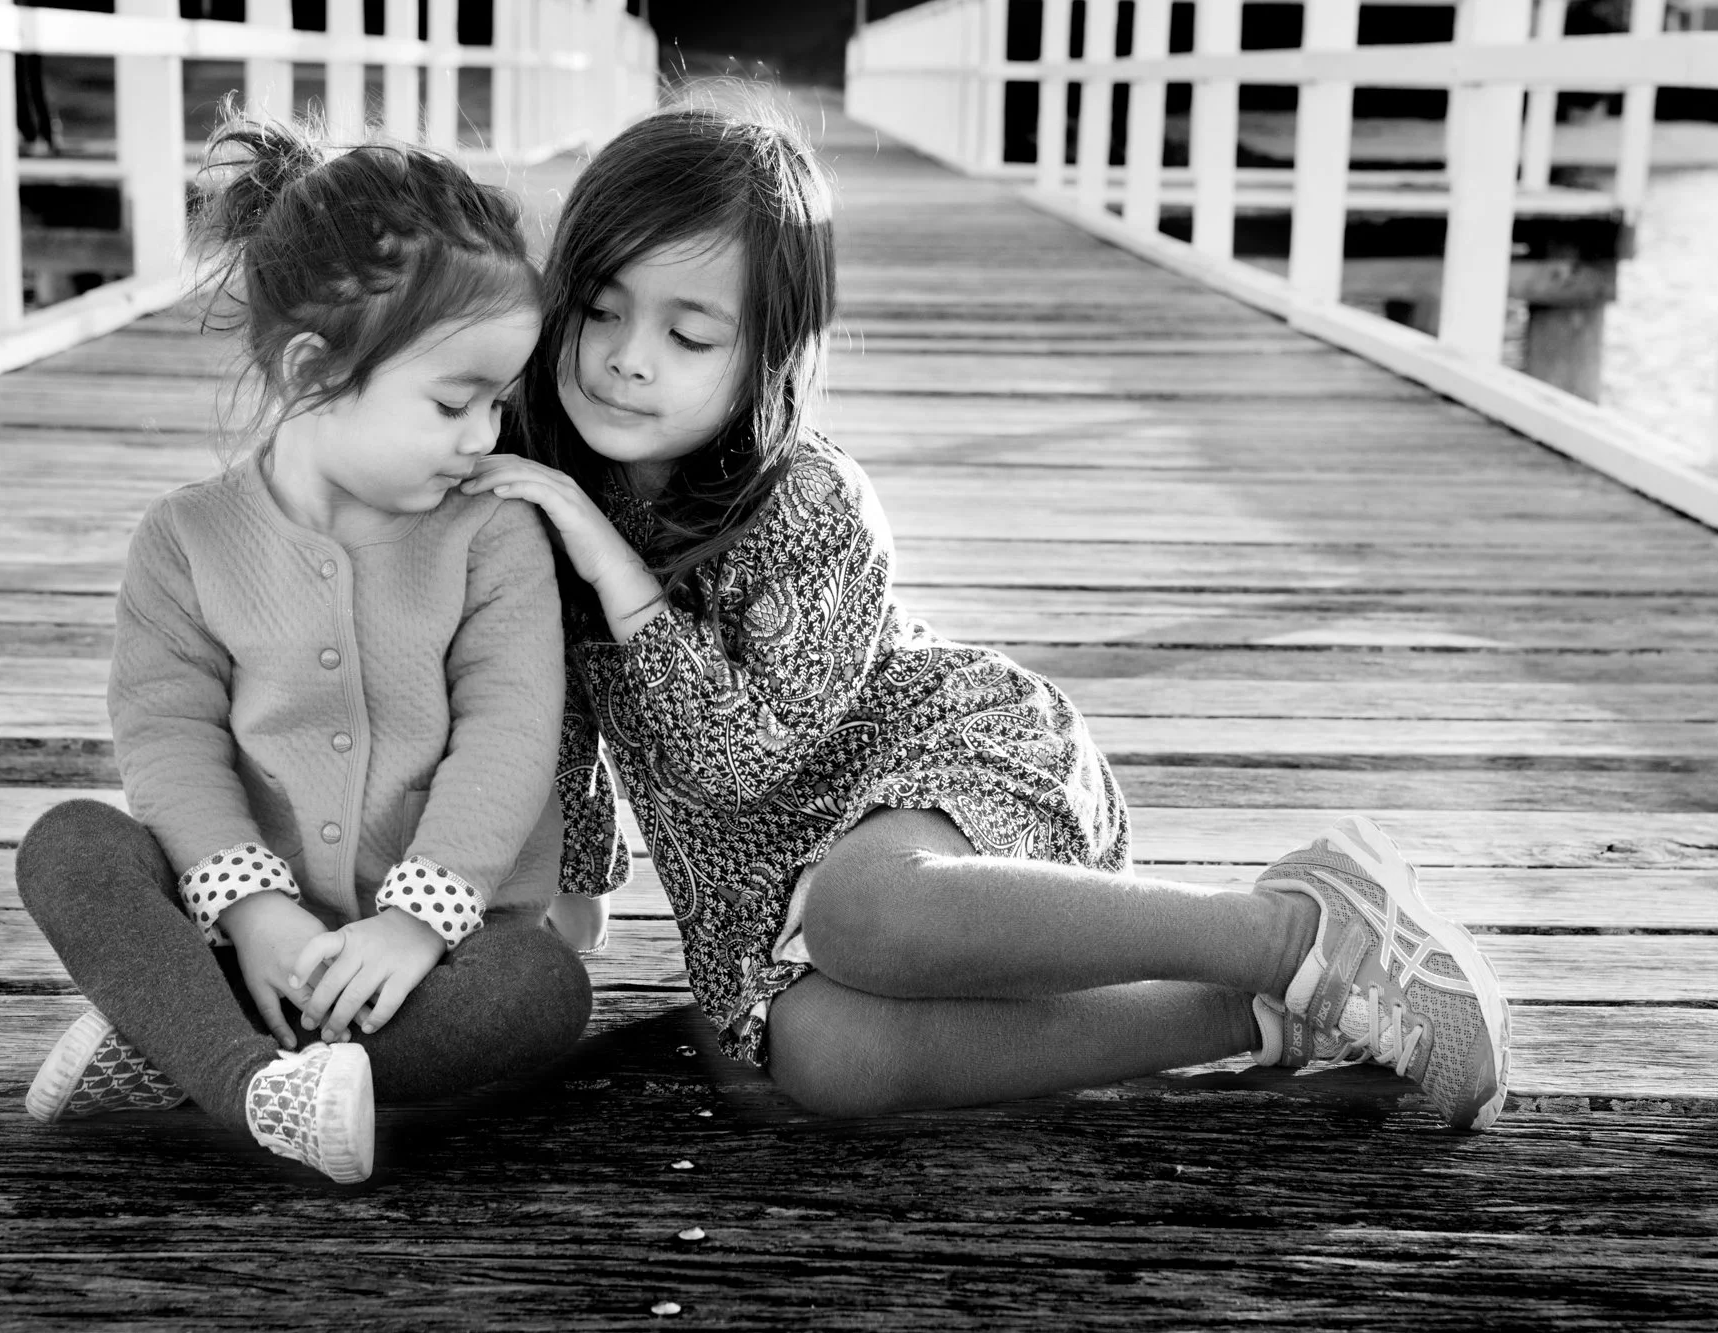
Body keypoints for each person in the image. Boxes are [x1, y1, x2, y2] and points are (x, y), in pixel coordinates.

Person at [466, 104, 1511, 1132]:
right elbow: (546, 703)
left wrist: (611, 568)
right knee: (828, 1062)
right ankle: (1272, 1013)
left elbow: (743, 756)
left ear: (766, 358)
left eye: (687, 333)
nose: (627, 356)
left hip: (943, 768)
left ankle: (1296, 927)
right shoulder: (552, 491)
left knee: (864, 911)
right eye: (599, 310)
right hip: (762, 897)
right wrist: (571, 891)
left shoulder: (808, 502)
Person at [15, 113, 602, 1184]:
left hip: (440, 950)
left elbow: (511, 729)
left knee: (544, 989)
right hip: (235, 928)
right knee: (69, 843)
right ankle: (251, 1075)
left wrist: (418, 921)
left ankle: (192, 1054)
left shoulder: (492, 534)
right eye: (452, 402)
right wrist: (251, 907)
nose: (487, 436)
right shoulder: (185, 542)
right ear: (311, 371)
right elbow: (169, 738)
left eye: (498, 403)